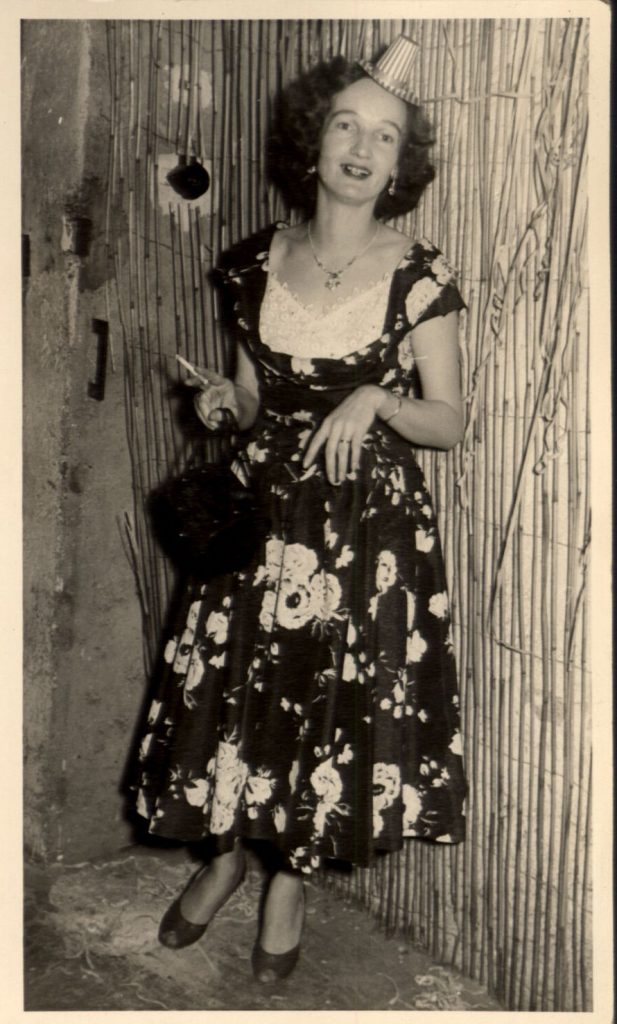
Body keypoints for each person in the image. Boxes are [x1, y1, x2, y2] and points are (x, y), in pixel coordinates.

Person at [135, 35, 467, 984]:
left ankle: (290, 877)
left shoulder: (420, 280)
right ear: (311, 143)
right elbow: (248, 396)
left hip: (365, 530)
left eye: (387, 138)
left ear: (401, 166)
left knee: (328, 707)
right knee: (239, 696)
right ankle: (227, 857)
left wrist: (377, 399)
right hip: (263, 518)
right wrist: (220, 405)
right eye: (345, 126)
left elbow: (448, 421)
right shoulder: (254, 263)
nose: (362, 149)